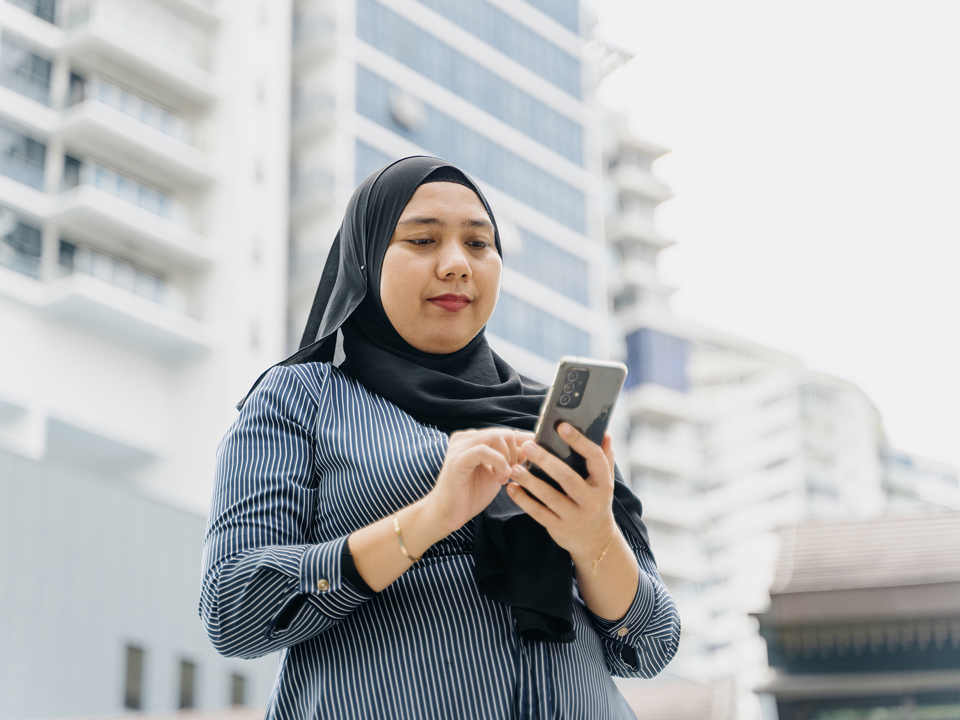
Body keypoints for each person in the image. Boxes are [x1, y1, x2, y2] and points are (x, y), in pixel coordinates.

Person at [201, 157, 680, 719]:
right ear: (367, 256)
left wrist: (592, 536)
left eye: (478, 244)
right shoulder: (300, 398)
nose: (456, 265)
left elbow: (651, 645)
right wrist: (428, 519)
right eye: (423, 240)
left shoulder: (549, 419)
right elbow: (233, 608)